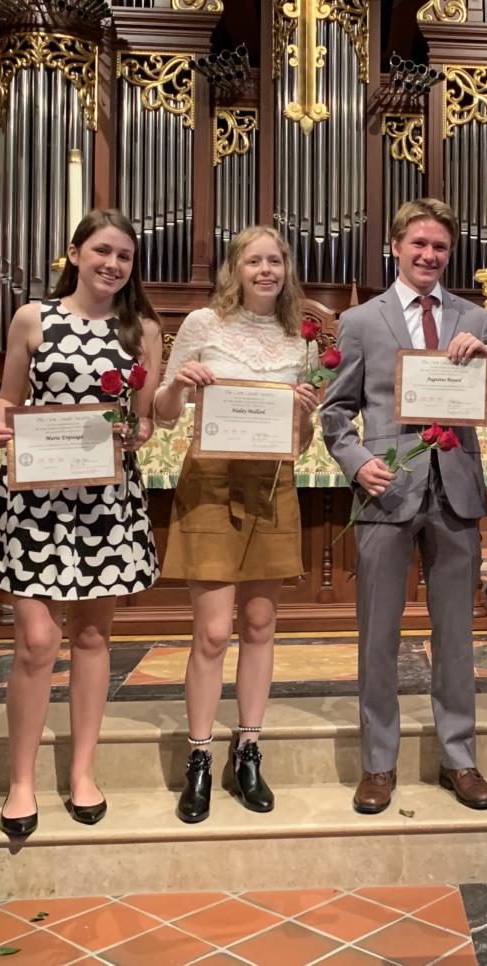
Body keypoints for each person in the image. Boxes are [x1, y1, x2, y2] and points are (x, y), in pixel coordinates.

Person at [321, 197, 487, 815]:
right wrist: (356, 461)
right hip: (387, 490)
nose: (429, 256)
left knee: (455, 635)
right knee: (378, 636)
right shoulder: (361, 321)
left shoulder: (474, 318)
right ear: (396, 246)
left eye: (440, 248)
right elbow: (335, 410)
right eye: (419, 244)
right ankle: (378, 763)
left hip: (454, 490)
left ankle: (459, 757)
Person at [0, 209, 162, 839]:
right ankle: (21, 780)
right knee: (34, 641)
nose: (113, 265)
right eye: (102, 251)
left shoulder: (144, 330)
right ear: (74, 251)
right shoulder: (34, 316)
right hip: (35, 499)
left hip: (104, 502)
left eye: (125, 257)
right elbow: (7, 400)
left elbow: (143, 424)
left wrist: (129, 433)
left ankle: (82, 770)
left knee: (90, 638)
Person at [153, 226, 321, 820]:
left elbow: (298, 445)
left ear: (286, 269)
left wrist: (303, 415)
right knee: (213, 632)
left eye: (276, 260)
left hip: (271, 486)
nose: (266, 270)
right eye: (255, 260)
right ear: (236, 269)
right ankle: (199, 754)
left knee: (259, 624)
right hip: (210, 482)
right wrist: (179, 383)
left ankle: (248, 747)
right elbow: (165, 414)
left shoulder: (300, 339)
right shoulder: (203, 325)